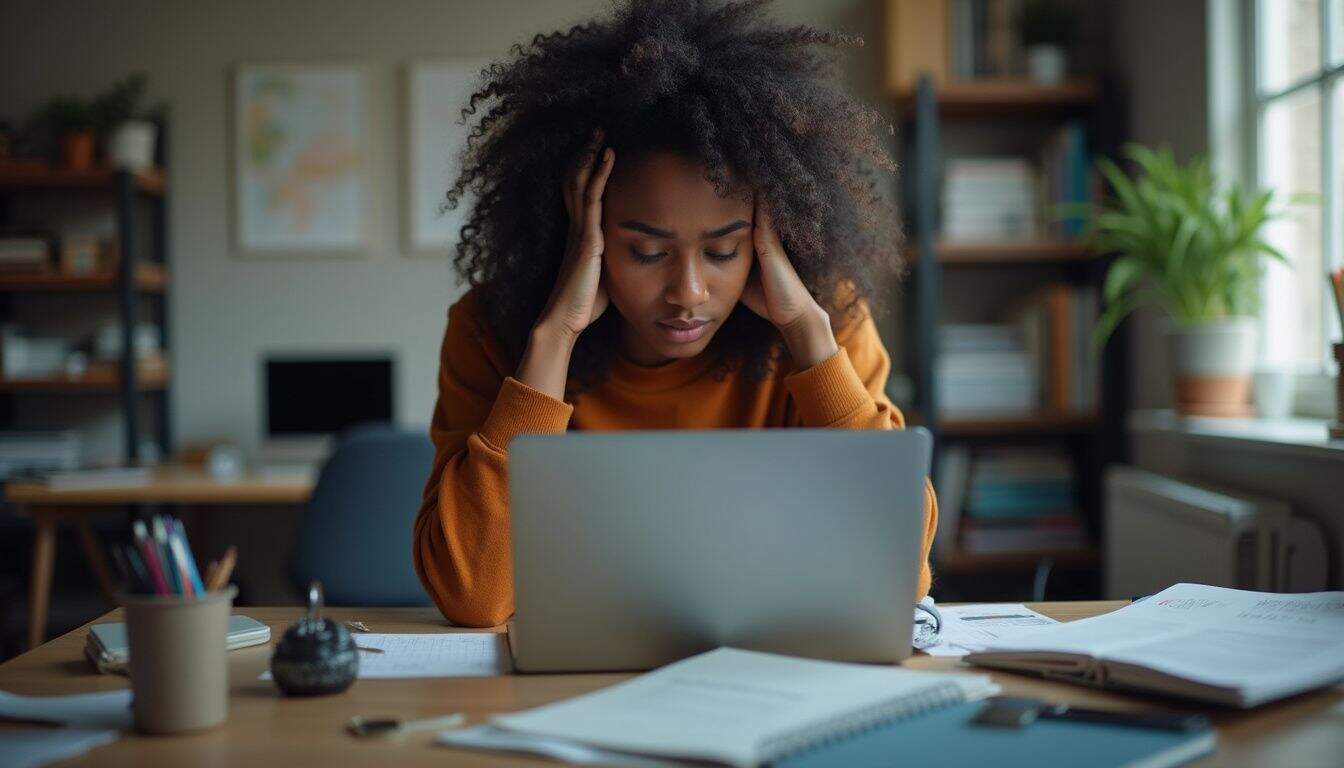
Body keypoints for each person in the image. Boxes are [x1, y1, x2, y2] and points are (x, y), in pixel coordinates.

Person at [413, 0, 937, 627]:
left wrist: (807, 335)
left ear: (772, 234)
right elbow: (473, 595)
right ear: (581, 230)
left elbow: (901, 573)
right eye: (647, 251)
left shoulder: (825, 325)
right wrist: (553, 341)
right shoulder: (492, 331)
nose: (688, 291)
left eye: (723, 250)